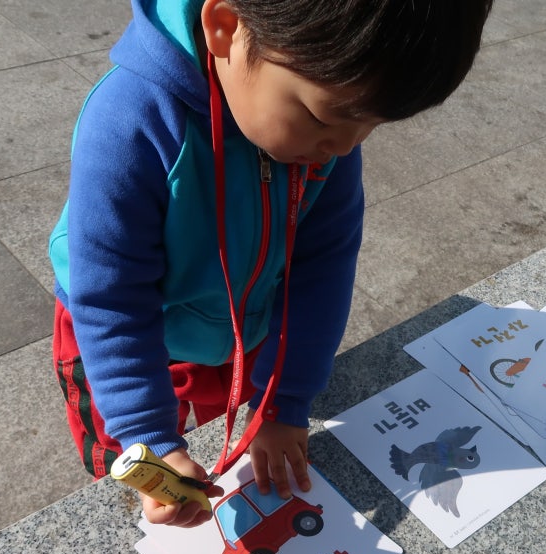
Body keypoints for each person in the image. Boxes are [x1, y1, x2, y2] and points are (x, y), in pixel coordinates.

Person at [51, 0, 493, 527]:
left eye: (371, 124)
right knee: (131, 466)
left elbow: (321, 272)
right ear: (225, 28)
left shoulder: (325, 140)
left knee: (218, 442)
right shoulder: (130, 121)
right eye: (323, 116)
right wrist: (147, 437)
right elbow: (113, 299)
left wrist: (281, 403)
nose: (344, 147)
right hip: (115, 337)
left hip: (241, 327)